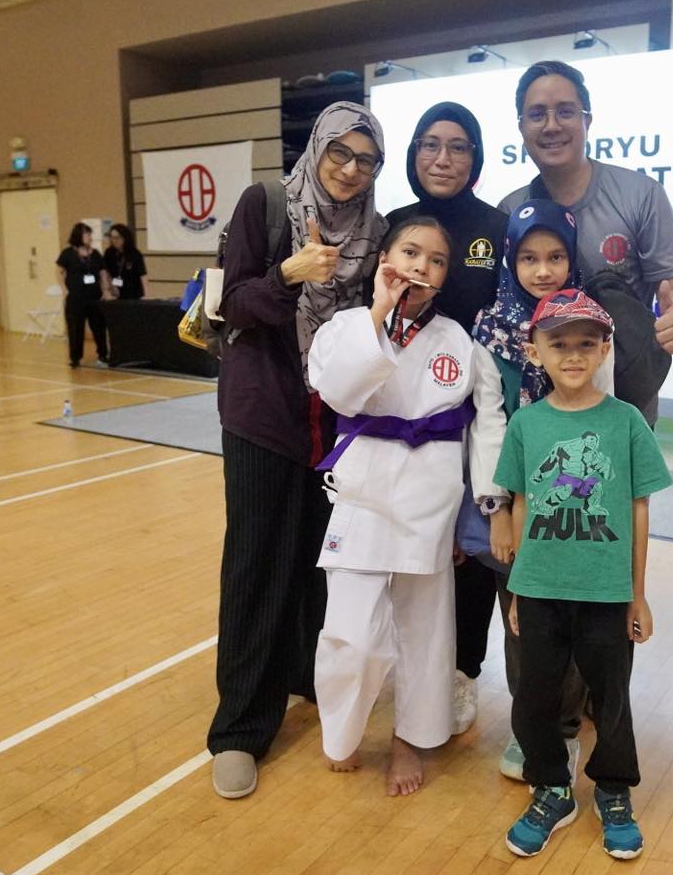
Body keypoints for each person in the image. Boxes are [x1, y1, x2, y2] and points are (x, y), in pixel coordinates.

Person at [208, 101, 387, 800]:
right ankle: (239, 728)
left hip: (338, 419)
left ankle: (303, 678)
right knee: (256, 561)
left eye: (364, 158)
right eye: (338, 152)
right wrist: (292, 272)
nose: (348, 168)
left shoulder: (376, 232)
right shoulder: (265, 205)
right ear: (317, 148)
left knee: (320, 561)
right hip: (264, 410)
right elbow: (230, 304)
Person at [493, 288, 672, 860]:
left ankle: (614, 789)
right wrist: (518, 589)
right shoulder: (525, 423)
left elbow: (639, 509)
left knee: (610, 697)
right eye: (558, 343)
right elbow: (520, 503)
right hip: (540, 592)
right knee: (533, 699)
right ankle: (552, 787)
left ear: (604, 350)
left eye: (585, 344)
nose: (572, 355)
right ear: (536, 350)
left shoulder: (624, 424)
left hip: (605, 591)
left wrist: (637, 595)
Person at [309, 218, 470, 796]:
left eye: (436, 260)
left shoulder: (455, 338)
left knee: (424, 632)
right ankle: (343, 731)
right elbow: (337, 393)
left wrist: (470, 516)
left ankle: (409, 741)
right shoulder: (346, 327)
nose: (420, 266)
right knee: (349, 631)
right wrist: (377, 314)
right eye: (409, 252)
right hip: (362, 492)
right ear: (384, 258)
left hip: (431, 493)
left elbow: (471, 430)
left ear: (446, 277)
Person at [468, 199, 612, 782]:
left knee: (575, 615)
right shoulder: (491, 327)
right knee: (523, 622)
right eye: (529, 256)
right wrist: (499, 508)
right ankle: (530, 732)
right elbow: (489, 420)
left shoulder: (594, 323)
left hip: (575, 499)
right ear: (511, 257)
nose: (543, 269)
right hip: (511, 501)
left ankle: (566, 729)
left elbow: (603, 413)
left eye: (556, 256)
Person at [386, 102, 508, 736]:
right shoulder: (394, 225)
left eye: (458, 147)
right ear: (412, 154)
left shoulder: (497, 226)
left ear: (476, 158)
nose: (442, 158)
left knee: (469, 547)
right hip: (401, 416)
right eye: (430, 144)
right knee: (410, 541)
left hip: (472, 416)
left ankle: (462, 675)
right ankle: (409, 667)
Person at [497, 60, 673, 418]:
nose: (551, 125)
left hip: (624, 405)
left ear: (586, 120)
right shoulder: (511, 210)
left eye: (565, 111)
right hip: (539, 409)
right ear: (521, 127)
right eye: (537, 114)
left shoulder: (641, 195)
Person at [55, 222, 109, 368]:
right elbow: (59, 271)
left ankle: (103, 354)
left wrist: (105, 290)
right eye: (86, 234)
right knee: (75, 327)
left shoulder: (95, 254)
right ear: (78, 236)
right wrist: (64, 289)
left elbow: (103, 273)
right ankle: (75, 357)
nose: (89, 237)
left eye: (90, 234)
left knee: (98, 326)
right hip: (76, 297)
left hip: (94, 296)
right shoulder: (68, 253)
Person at [103, 223, 149, 300]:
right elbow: (106, 272)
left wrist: (147, 294)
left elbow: (143, 275)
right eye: (112, 238)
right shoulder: (109, 252)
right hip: (116, 293)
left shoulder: (135, 254)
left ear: (125, 238)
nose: (114, 241)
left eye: (117, 238)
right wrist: (110, 287)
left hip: (133, 294)